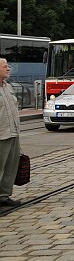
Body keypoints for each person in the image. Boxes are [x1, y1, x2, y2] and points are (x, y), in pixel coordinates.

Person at [0, 59, 22, 207]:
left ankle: (4, 195)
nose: (8, 69)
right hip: (1, 133)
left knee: (10, 166)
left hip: (13, 132)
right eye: (5, 66)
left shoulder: (7, 87)